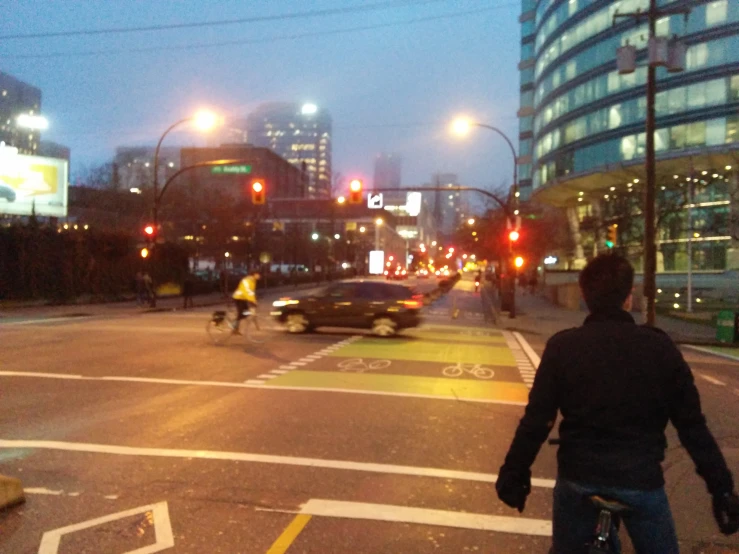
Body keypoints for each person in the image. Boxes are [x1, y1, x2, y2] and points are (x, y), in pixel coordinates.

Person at [495, 253, 739, 553]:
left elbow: (537, 420)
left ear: (585, 296)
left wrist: (514, 471)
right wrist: (722, 488)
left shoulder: (563, 347)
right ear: (628, 297)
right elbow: (692, 427)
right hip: (640, 480)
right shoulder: (660, 348)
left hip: (579, 477)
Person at [231, 270, 260, 334]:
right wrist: (253, 301)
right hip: (238, 298)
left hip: (244, 298)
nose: (259, 276)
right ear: (254, 274)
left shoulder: (253, 281)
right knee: (241, 313)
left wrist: (254, 300)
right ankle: (234, 326)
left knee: (247, 313)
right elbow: (247, 291)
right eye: (258, 274)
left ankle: (235, 326)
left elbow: (251, 292)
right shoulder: (246, 281)